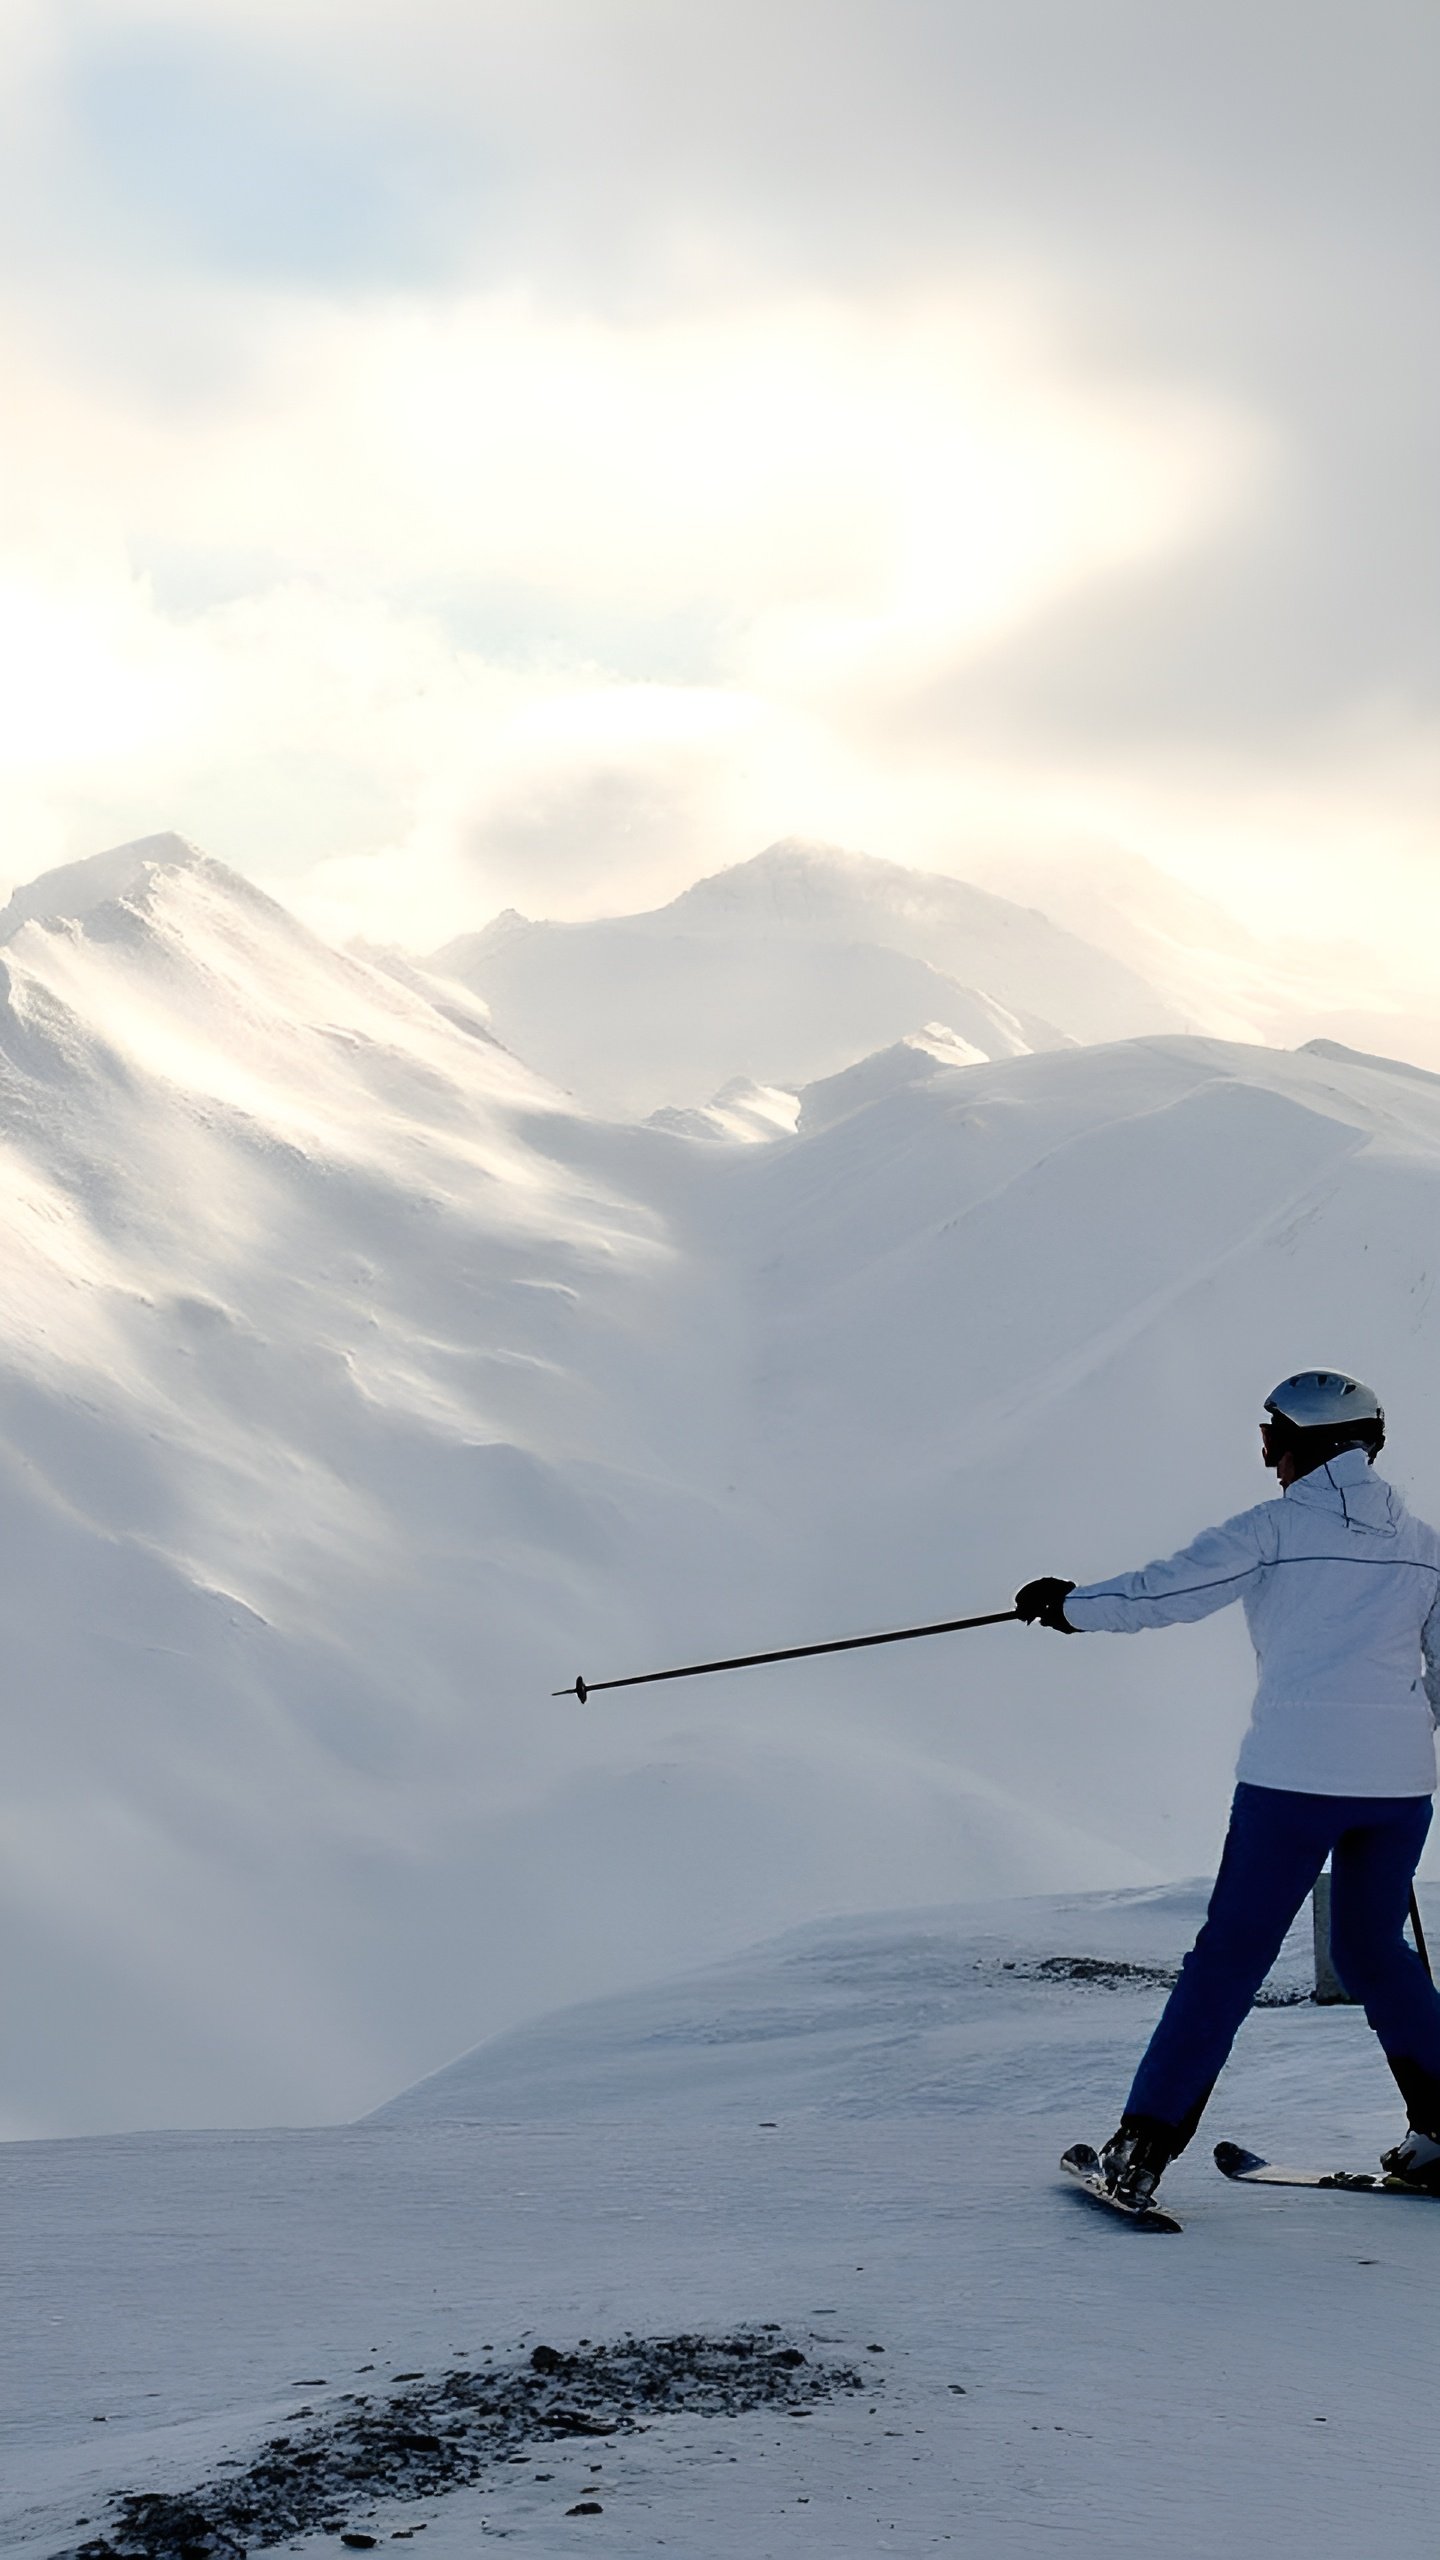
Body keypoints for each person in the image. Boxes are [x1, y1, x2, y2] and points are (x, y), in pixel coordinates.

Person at [1016, 1370, 1440, 2210]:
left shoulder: (1274, 1529)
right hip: (1398, 1787)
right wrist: (1390, 1732)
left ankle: (1139, 2151)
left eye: (1270, 1436)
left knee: (1231, 1956)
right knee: (1370, 1950)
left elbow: (1161, 1591)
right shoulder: (1423, 1541)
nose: (1266, 1452)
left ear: (1304, 1445)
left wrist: (1068, 1607)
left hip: (1294, 1779)